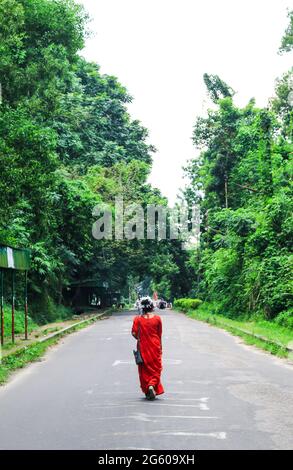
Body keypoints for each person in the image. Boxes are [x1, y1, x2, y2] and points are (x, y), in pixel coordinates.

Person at [131, 297, 164, 400]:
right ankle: (152, 385)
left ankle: (148, 387)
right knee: (156, 368)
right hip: (155, 346)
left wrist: (140, 338)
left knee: (144, 369)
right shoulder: (157, 319)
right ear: (152, 306)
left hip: (143, 347)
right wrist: (160, 347)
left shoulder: (138, 319)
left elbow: (134, 333)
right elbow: (159, 334)